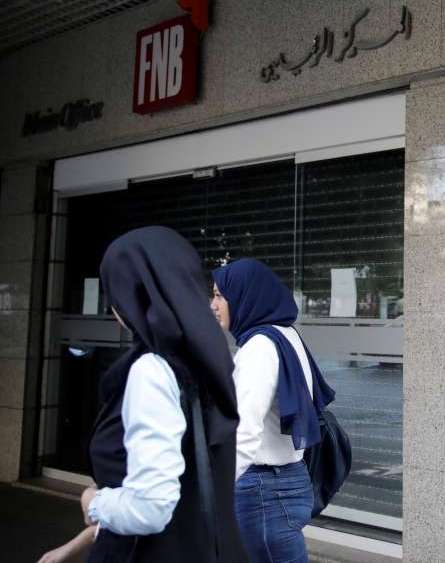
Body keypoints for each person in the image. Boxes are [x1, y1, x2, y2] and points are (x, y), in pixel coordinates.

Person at [38, 226, 250, 563]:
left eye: (115, 293)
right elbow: (188, 490)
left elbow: (151, 507)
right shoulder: (204, 360)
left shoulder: (152, 370)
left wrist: (93, 501)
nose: (112, 307)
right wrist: (86, 541)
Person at [211, 259, 336, 563]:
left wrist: (214, 487)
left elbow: (243, 429)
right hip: (285, 481)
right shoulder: (286, 335)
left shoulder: (260, 346)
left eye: (219, 295)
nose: (213, 304)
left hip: (263, 489)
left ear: (244, 294)